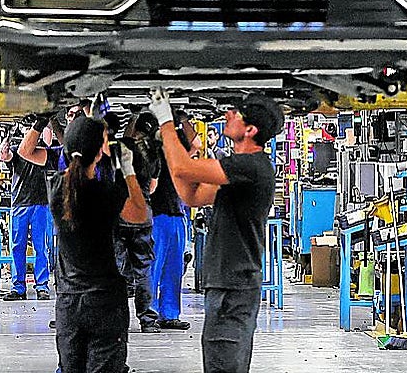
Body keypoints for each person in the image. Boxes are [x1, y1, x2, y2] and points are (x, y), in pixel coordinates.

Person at [149, 92, 284, 373]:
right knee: (221, 361)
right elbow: (192, 195)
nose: (227, 115)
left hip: (233, 287)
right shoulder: (239, 171)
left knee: (223, 364)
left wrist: (166, 122)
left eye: (236, 113)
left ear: (250, 130)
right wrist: (169, 144)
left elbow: (184, 168)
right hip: (227, 284)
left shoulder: (250, 166)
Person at [49, 114, 149, 373]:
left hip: (69, 303)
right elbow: (140, 214)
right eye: (105, 141)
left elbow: (78, 165)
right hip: (104, 302)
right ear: (97, 152)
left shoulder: (57, 189)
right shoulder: (106, 194)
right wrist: (127, 171)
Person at [114, 112, 162, 332]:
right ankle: (147, 320)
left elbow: (126, 137)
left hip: (121, 214)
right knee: (143, 269)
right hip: (143, 215)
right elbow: (152, 188)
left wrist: (131, 116)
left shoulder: (124, 145)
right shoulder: (153, 153)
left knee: (117, 269)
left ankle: (116, 319)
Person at [0, 114, 55, 301]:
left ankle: (42, 286)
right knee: (17, 247)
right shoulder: (16, 151)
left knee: (41, 247)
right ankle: (18, 287)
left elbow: (48, 137)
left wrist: (44, 122)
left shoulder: (43, 152)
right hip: (20, 204)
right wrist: (4, 147)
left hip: (40, 204)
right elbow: (5, 157)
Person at [150, 113, 196, 330]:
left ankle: (169, 315)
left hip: (177, 217)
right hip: (155, 217)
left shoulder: (178, 156)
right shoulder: (150, 152)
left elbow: (195, 143)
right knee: (153, 268)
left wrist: (184, 118)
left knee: (173, 269)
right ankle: (148, 315)